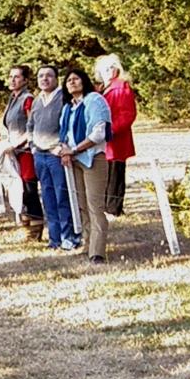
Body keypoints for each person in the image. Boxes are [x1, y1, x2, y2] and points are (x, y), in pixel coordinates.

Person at [57, 68, 112, 264]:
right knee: (81, 205)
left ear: (84, 81)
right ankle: (88, 245)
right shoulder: (68, 108)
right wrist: (65, 150)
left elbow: (99, 132)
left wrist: (75, 149)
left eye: (76, 79)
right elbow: (64, 135)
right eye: (68, 80)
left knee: (94, 205)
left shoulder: (95, 101)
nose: (72, 82)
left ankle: (98, 252)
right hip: (75, 160)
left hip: (92, 158)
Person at [27, 65, 77, 250]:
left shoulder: (63, 98)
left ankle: (69, 237)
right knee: (47, 197)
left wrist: (63, 147)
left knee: (62, 196)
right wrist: (32, 146)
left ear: (56, 78)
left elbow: (69, 126)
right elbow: (30, 125)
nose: (44, 79)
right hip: (39, 156)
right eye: (41, 76)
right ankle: (54, 239)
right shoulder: (37, 100)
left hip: (56, 155)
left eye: (49, 75)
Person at [2, 65, 44, 241]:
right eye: (11, 76)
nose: (13, 80)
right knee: (18, 189)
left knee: (29, 189)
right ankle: (25, 226)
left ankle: (36, 227)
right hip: (14, 150)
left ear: (25, 80)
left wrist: (20, 143)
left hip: (26, 150)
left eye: (17, 77)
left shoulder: (27, 99)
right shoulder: (13, 98)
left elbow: (32, 125)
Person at [95, 53, 137, 217]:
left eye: (111, 67)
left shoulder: (121, 87)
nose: (108, 71)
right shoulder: (102, 89)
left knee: (115, 174)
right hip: (103, 140)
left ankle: (113, 208)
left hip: (116, 140)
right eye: (104, 68)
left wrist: (109, 132)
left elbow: (127, 114)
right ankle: (106, 206)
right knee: (105, 174)